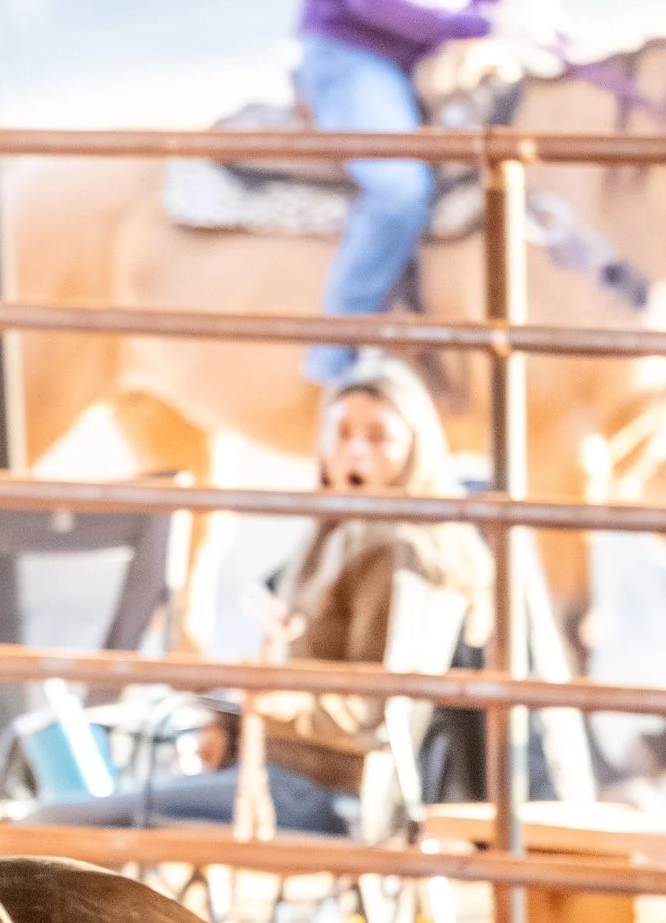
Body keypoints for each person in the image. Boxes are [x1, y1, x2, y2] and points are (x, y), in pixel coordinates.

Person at [33, 357, 492, 834]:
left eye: (378, 438)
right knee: (77, 805)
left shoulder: (392, 549)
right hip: (279, 773)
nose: (356, 452)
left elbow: (374, 710)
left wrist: (279, 702)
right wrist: (233, 726)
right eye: (342, 434)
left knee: (56, 820)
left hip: (316, 789)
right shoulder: (335, 535)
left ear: (415, 451)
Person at [296, 0, 501, 387]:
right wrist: (472, 25)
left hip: (429, 54)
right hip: (353, 53)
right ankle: (339, 359)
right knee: (398, 188)